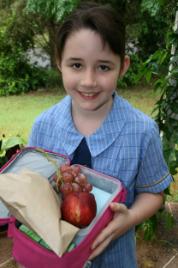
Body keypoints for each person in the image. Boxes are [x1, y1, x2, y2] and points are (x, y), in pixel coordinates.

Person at [28, 2, 173, 267]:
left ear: (123, 66)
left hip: (116, 259)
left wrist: (129, 218)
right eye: (76, 65)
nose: (89, 81)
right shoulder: (42, 126)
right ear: (59, 61)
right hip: (53, 259)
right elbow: (33, 191)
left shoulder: (142, 131)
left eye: (104, 67)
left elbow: (153, 193)